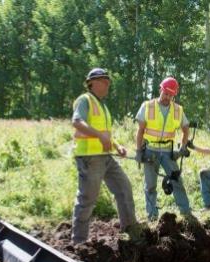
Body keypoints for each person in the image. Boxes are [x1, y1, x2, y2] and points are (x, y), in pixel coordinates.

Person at [71, 68, 137, 244]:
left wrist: (117, 145)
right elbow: (77, 122)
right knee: (87, 199)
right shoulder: (85, 100)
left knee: (124, 188)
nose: (108, 85)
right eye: (104, 81)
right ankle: (78, 244)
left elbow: (105, 133)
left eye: (108, 82)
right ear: (92, 83)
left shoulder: (102, 105)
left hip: (105, 157)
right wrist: (100, 137)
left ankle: (131, 231)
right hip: (90, 157)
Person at [135, 77, 191, 221]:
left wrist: (182, 148)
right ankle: (152, 216)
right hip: (150, 151)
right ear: (161, 90)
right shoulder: (147, 106)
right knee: (150, 185)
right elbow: (140, 131)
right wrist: (138, 151)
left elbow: (186, 130)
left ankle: (186, 213)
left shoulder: (178, 110)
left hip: (168, 152)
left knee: (177, 181)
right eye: (166, 93)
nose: (167, 97)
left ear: (174, 95)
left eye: (171, 95)